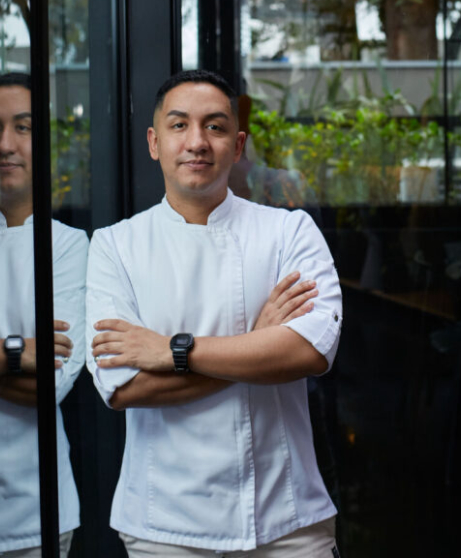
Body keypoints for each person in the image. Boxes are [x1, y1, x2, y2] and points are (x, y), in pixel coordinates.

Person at [86, 69, 342, 557]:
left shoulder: (291, 232)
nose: (197, 142)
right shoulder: (115, 246)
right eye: (179, 125)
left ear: (238, 143)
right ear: (154, 142)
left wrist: (171, 350)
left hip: (286, 521)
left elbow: (306, 352)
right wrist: (257, 342)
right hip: (164, 528)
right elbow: (125, 388)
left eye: (216, 127)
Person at [0, 73, 88, 557]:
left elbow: (49, 385)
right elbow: (33, 367)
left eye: (23, 127)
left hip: (35, 511)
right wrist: (17, 351)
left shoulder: (67, 247)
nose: (5, 144)